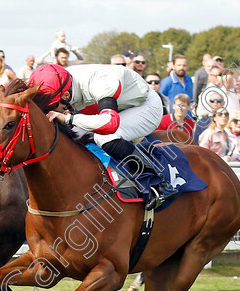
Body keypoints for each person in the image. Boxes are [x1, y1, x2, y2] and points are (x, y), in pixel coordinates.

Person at [30, 63, 174, 207]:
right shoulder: (58, 82)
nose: (51, 109)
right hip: (111, 108)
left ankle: (158, 183)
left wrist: (69, 118)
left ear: (66, 95)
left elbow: (109, 124)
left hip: (144, 107)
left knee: (104, 137)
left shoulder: (101, 82)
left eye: (53, 105)